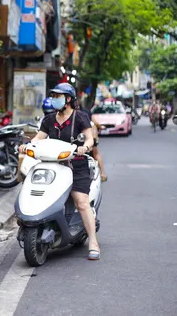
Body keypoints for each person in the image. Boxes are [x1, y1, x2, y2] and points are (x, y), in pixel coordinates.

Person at [18, 83, 101, 260]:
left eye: (58, 96)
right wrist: (26, 146)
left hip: (77, 164)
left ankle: (93, 242)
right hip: (53, 165)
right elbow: (39, 138)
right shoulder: (49, 119)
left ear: (68, 99)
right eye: (53, 96)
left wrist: (84, 148)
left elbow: (89, 139)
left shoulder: (80, 117)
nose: (55, 99)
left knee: (81, 201)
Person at [80, 104, 108, 182]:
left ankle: (102, 173)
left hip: (84, 140)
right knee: (96, 154)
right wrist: (100, 127)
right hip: (91, 138)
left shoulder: (76, 114)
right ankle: (103, 174)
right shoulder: (88, 117)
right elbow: (96, 123)